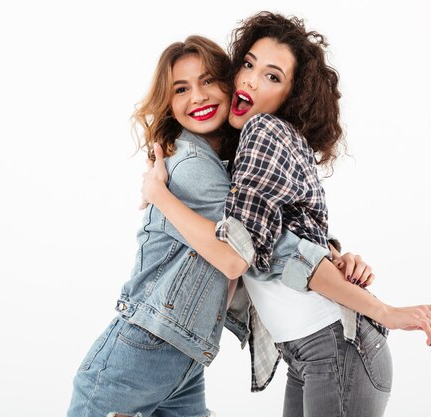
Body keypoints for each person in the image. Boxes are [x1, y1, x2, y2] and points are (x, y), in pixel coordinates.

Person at [141, 11, 431, 417]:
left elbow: (243, 255)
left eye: (272, 77)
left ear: (289, 96)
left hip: (335, 348)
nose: (251, 81)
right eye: (249, 64)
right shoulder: (254, 148)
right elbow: (292, 239)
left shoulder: (264, 133)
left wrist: (158, 194)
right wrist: (336, 253)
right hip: (313, 353)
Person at [67, 33, 361, 417]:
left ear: (229, 83)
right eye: (181, 89)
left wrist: (332, 255)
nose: (198, 97)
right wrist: (160, 195)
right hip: (138, 355)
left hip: (178, 360)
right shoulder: (192, 165)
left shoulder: (232, 163)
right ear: (169, 104)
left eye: (208, 81)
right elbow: (236, 258)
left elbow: (270, 230)